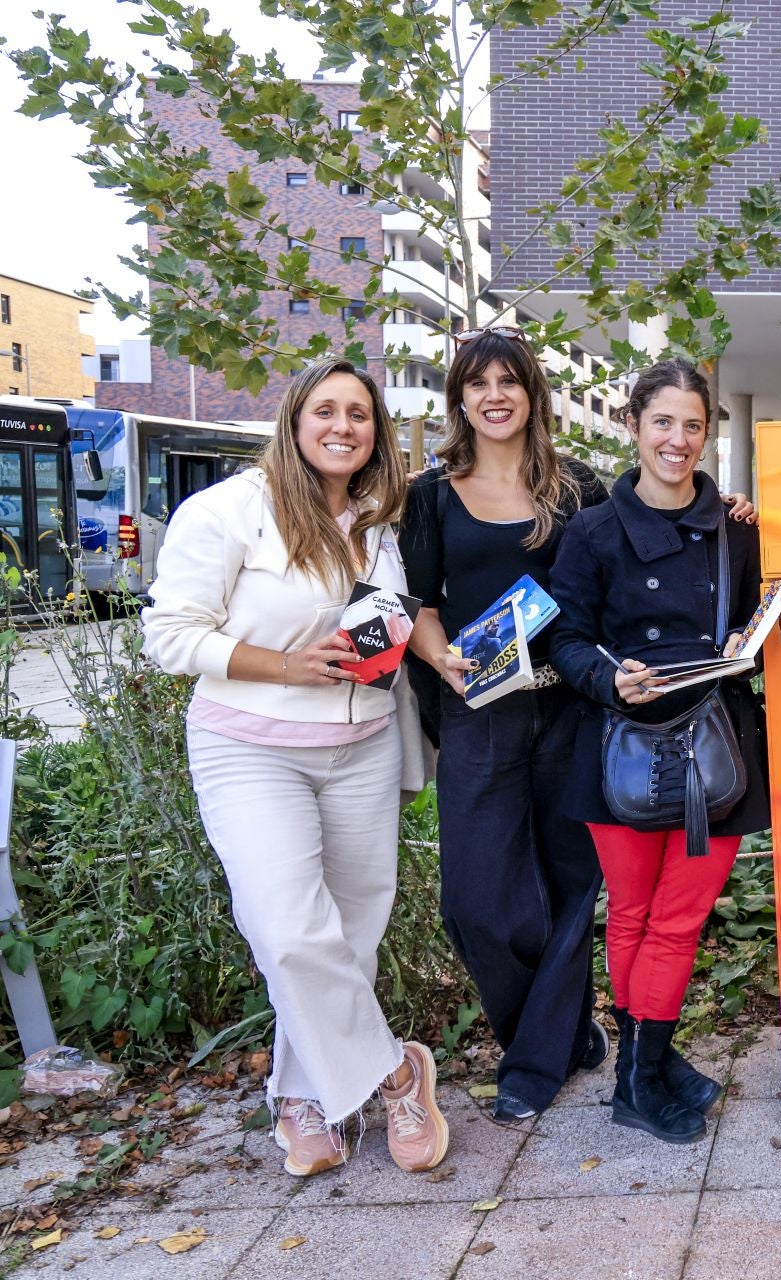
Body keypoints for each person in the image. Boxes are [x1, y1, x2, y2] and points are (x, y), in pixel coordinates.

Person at [143, 358, 450, 1178]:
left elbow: (401, 616)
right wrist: (283, 666)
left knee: (347, 938)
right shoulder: (228, 511)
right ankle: (394, 1072)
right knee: (288, 929)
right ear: (294, 418)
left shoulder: (379, 521)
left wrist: (449, 659)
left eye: (359, 413)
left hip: (361, 750)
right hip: (250, 747)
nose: (343, 426)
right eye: (326, 410)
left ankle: (302, 1095)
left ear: (375, 431)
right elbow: (169, 635)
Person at [547, 357, 770, 1144]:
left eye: (694, 426)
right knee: (634, 915)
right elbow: (564, 638)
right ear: (634, 426)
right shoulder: (592, 532)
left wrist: (752, 639)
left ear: (709, 435)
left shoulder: (737, 531)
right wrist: (613, 682)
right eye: (664, 422)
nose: (679, 440)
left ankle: (644, 1066)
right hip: (620, 749)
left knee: (677, 920)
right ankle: (641, 1075)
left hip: (718, 748)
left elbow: (757, 629)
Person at [400, 326, 612, 1124]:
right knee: (477, 901)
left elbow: (624, 563)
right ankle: (560, 1033)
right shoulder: (431, 494)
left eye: (510, 381)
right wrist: (443, 657)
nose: (495, 395)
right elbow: (419, 604)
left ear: (532, 394)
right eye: (479, 382)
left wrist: (732, 508)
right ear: (460, 396)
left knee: (570, 882)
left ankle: (533, 1061)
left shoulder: (578, 487)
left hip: (569, 706)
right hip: (478, 706)